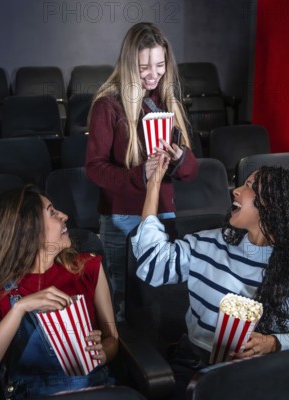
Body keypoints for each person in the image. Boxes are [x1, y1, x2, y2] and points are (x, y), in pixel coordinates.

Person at [133, 158, 289, 398]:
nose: (236, 190)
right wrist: (153, 186)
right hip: (196, 367)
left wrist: (273, 343)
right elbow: (153, 264)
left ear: (273, 207)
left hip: (265, 376)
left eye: (250, 187)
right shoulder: (209, 243)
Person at [0, 184, 118, 399]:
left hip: (94, 390)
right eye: (52, 212)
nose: (64, 216)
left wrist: (103, 353)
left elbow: (112, 339)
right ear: (27, 232)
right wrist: (20, 309)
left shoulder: (89, 267)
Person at [85, 22, 198, 320]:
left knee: (162, 301)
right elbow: (94, 169)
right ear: (128, 64)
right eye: (143, 67)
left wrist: (179, 157)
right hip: (123, 218)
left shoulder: (166, 100)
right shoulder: (107, 105)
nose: (153, 74)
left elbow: (190, 172)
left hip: (163, 213)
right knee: (123, 304)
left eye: (160, 65)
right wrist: (140, 175)